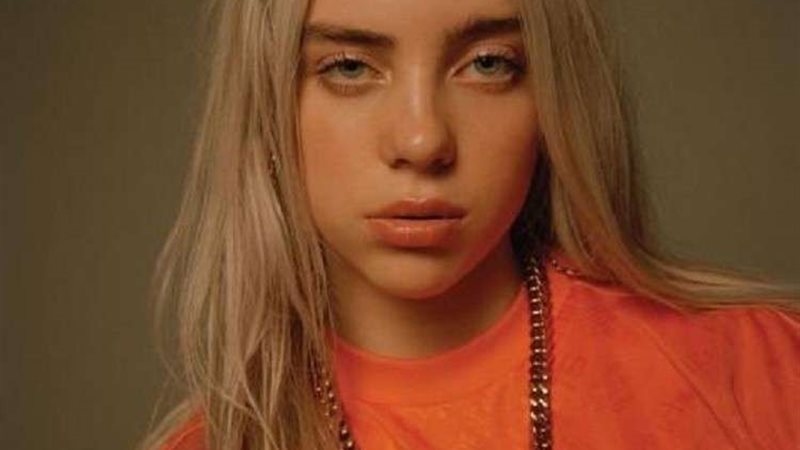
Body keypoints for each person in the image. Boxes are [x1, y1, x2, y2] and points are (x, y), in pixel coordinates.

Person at [140, 0, 799, 449]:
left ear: (553, 97)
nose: (423, 140)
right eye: (349, 67)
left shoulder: (760, 372)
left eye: (487, 63)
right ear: (267, 105)